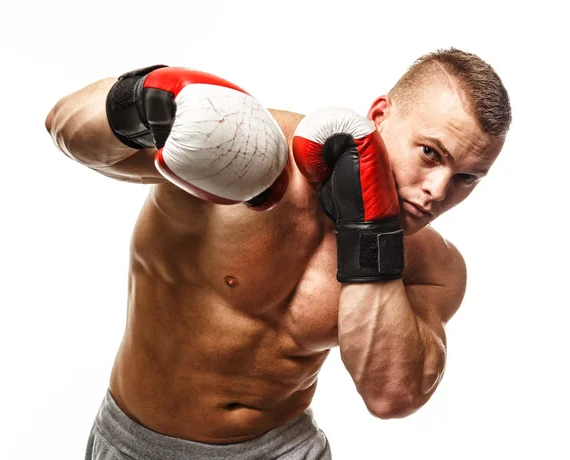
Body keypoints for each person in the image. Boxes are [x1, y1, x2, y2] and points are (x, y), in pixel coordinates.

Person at [45, 48, 511, 460]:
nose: (437, 191)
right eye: (431, 153)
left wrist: (370, 231)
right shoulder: (242, 145)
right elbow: (65, 126)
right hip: (138, 445)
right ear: (381, 114)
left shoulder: (431, 266)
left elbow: (392, 396)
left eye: (467, 178)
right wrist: (144, 99)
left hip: (284, 448)